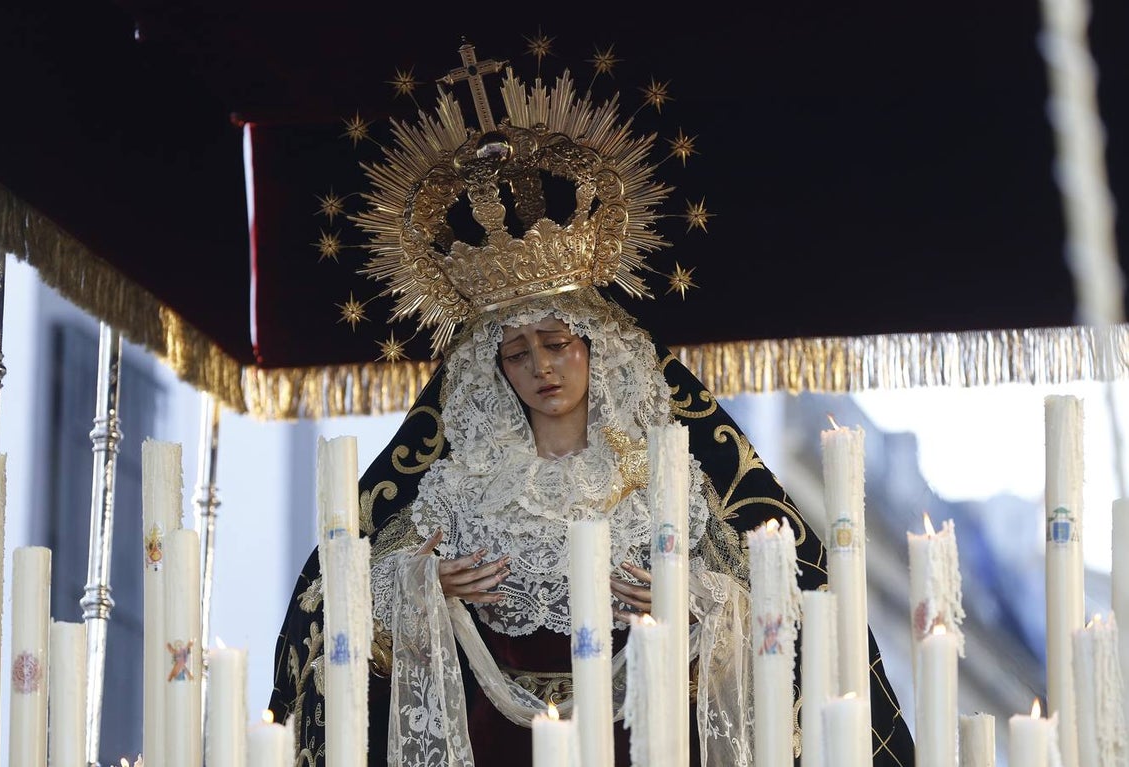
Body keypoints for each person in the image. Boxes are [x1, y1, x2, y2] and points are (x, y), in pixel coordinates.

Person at [269, 40, 915, 765]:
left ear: (596, 349)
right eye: (517, 354)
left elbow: (757, 608)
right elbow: (347, 606)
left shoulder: (661, 484)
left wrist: (689, 599)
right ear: (495, 373)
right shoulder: (460, 487)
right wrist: (424, 585)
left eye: (556, 342)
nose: (541, 367)